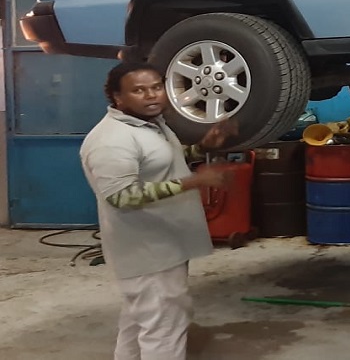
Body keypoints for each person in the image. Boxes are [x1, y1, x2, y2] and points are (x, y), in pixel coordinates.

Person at [80, 61, 239, 360]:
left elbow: (160, 161)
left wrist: (203, 147)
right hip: (146, 251)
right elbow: (121, 196)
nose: (151, 95)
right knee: (165, 327)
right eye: (139, 90)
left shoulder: (150, 124)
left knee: (140, 321)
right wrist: (193, 182)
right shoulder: (111, 140)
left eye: (156, 87)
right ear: (117, 97)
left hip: (164, 243)